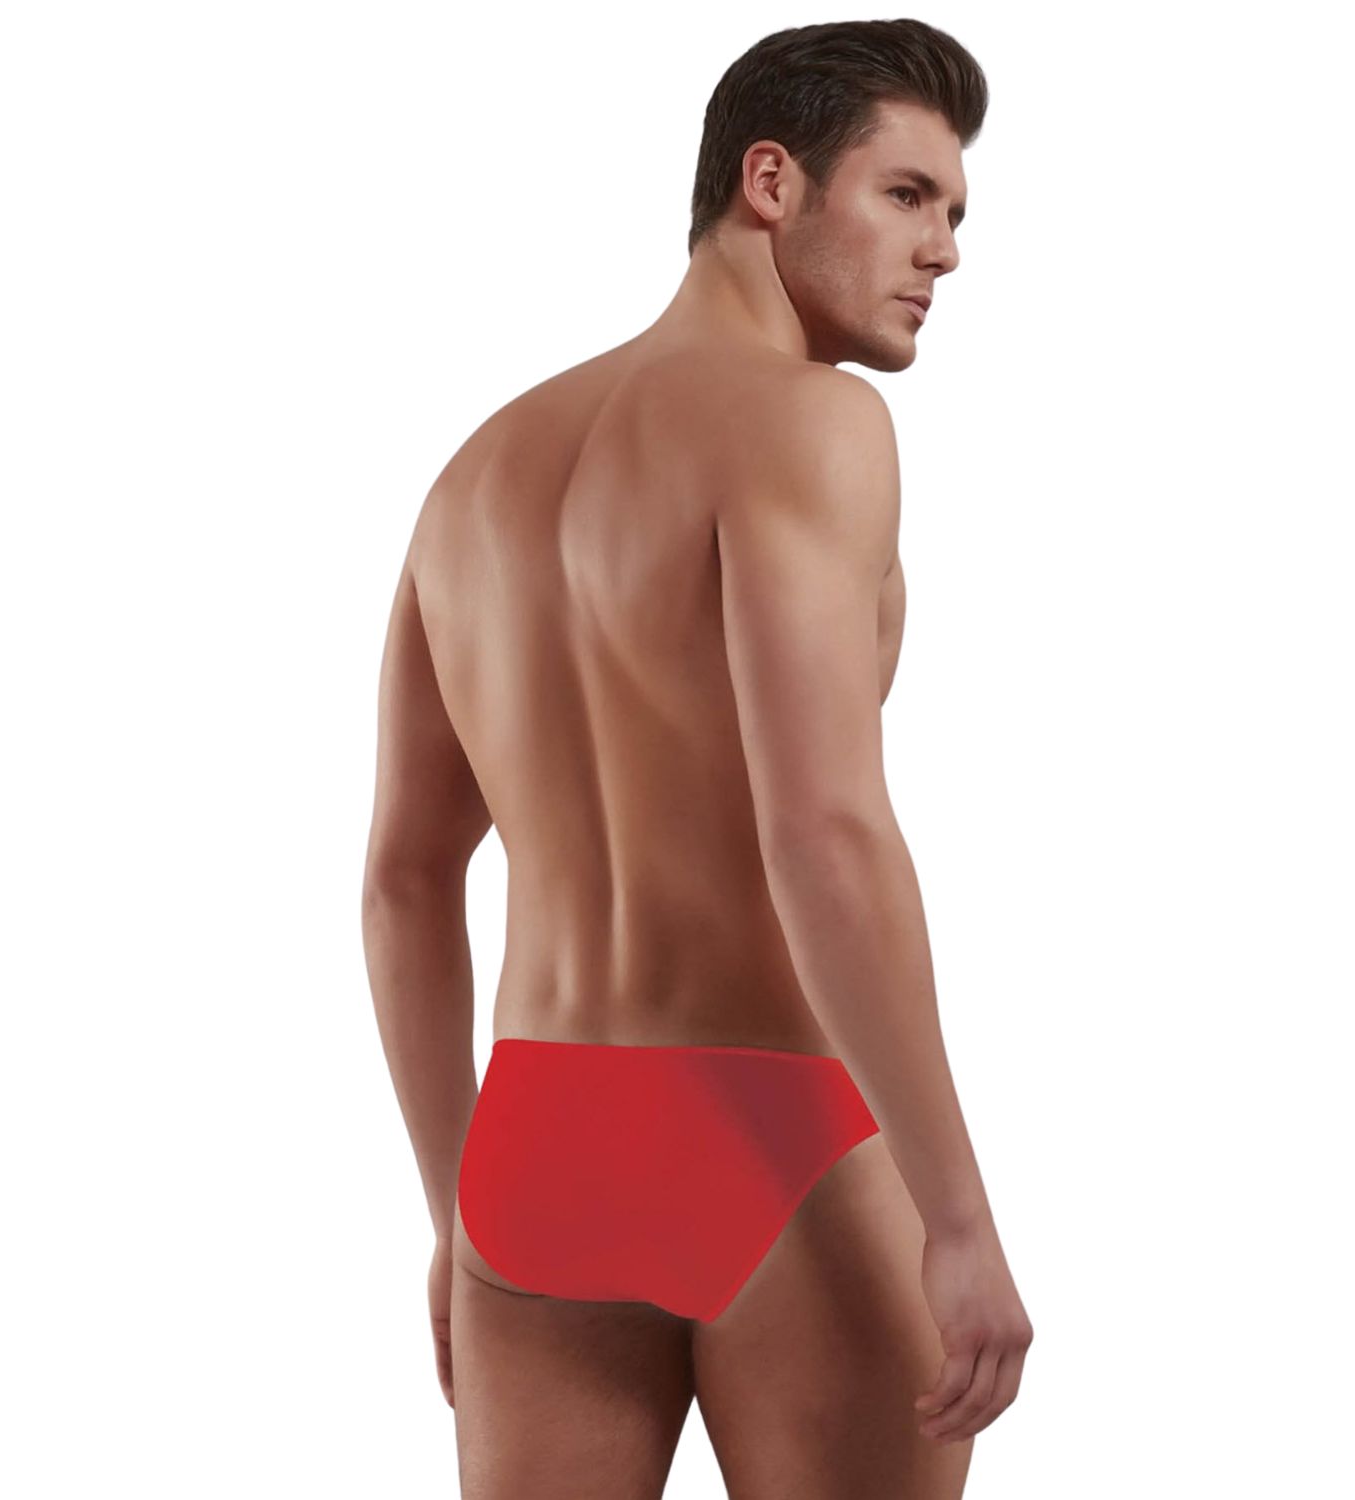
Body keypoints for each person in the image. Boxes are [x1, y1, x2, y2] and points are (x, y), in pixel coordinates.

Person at [361, 18, 1032, 1497]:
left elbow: (405, 879)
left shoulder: (474, 474)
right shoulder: (816, 427)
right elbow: (824, 834)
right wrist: (958, 1217)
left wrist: (452, 1209)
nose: (946, 250)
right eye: (908, 195)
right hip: (770, 1133)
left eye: (955, 211)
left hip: (533, 1157)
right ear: (771, 183)